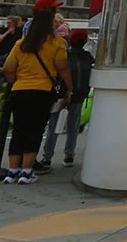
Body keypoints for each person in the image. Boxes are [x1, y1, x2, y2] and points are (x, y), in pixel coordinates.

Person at [0, 0, 68, 185]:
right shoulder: (56, 42)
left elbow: (7, 68)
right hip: (42, 90)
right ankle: (27, 171)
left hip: (19, 90)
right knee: (35, 130)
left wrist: (18, 81)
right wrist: (69, 88)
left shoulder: (22, 42)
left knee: (19, 129)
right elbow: (62, 67)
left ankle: (12, 171)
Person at [37, 29, 95, 170]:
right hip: (79, 95)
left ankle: (47, 157)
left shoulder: (65, 56)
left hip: (61, 95)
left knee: (53, 126)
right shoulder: (88, 58)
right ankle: (69, 155)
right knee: (73, 126)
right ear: (85, 42)